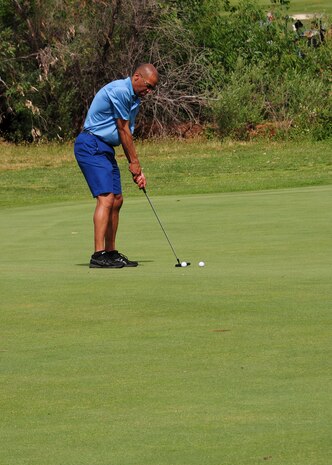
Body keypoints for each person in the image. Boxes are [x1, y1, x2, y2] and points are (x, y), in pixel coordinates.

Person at [74, 64, 159, 268]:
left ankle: (111, 253)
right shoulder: (121, 91)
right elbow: (123, 130)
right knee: (106, 197)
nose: (149, 91)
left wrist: (136, 168)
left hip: (105, 148)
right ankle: (98, 255)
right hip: (90, 144)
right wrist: (135, 163)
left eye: (152, 89)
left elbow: (125, 133)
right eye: (148, 86)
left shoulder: (134, 100)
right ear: (136, 76)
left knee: (117, 199)